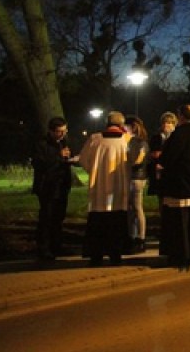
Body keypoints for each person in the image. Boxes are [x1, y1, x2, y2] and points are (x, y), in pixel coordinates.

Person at [158, 104, 190, 269]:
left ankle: (181, 253)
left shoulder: (178, 135)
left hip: (180, 185)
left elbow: (167, 158)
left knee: (180, 223)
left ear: (180, 116)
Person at [79, 111, 131, 266]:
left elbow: (83, 159)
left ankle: (96, 256)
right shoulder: (126, 140)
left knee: (98, 223)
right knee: (116, 222)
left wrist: (94, 170)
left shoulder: (95, 139)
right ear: (121, 125)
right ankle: (115, 255)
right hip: (118, 187)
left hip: (98, 188)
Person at [31, 117, 74, 261]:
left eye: (64, 131)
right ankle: (44, 248)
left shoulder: (63, 142)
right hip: (47, 186)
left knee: (58, 217)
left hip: (62, 185)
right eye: (59, 131)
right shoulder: (41, 143)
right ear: (51, 131)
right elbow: (39, 163)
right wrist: (58, 156)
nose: (62, 134)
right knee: (47, 217)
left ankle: (57, 245)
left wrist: (71, 160)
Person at [125, 116, 149, 254]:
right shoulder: (138, 142)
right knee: (133, 208)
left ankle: (140, 238)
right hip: (135, 177)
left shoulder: (139, 142)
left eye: (126, 127)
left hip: (137, 177)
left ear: (132, 127)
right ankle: (134, 237)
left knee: (136, 208)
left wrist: (128, 165)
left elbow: (138, 160)